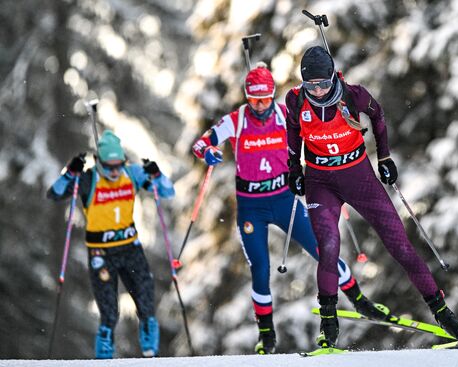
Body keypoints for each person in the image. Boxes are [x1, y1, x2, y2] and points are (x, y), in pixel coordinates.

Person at [285, 46, 458, 348]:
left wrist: (384, 158)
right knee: (329, 246)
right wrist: (293, 167)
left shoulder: (353, 95)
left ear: (333, 77)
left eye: (323, 83)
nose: (318, 91)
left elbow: (378, 116)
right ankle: (329, 325)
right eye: (311, 85)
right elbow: (293, 131)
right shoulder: (295, 100)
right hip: (320, 181)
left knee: (399, 245)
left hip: (359, 178)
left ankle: (443, 313)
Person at [192, 63, 388, 354]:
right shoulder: (237, 119)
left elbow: (313, 131)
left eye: (265, 98)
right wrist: (208, 152)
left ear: (272, 95)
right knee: (260, 268)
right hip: (252, 207)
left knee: (324, 249)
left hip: (285, 201)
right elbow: (200, 144)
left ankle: (360, 301)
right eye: (254, 99)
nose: (260, 105)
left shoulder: (285, 114)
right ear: (247, 96)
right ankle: (267, 334)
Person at [47, 130, 175, 359]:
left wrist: (156, 174)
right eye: (109, 167)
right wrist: (70, 172)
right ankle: (104, 357)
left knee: (146, 302)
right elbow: (55, 194)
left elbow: (167, 191)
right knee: (109, 313)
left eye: (119, 165)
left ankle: (151, 352)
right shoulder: (88, 179)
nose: (115, 172)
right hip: (101, 254)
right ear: (98, 162)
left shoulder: (131, 173)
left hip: (130, 248)